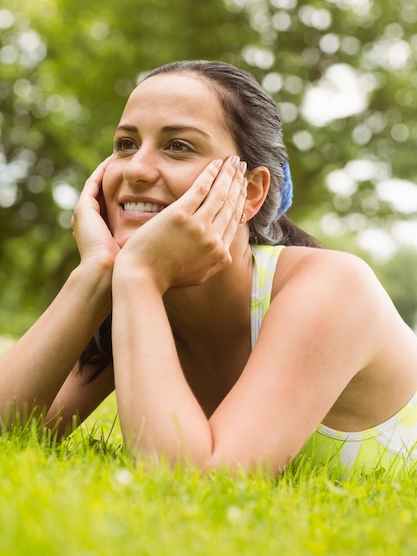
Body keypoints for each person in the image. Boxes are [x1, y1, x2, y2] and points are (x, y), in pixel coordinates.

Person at [2, 60, 417, 478]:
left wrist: (139, 277)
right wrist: (97, 272)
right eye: (126, 144)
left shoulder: (335, 286)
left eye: (178, 145)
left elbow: (198, 480)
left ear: (251, 191)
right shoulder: (136, 297)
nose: (136, 169)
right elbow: (15, 432)